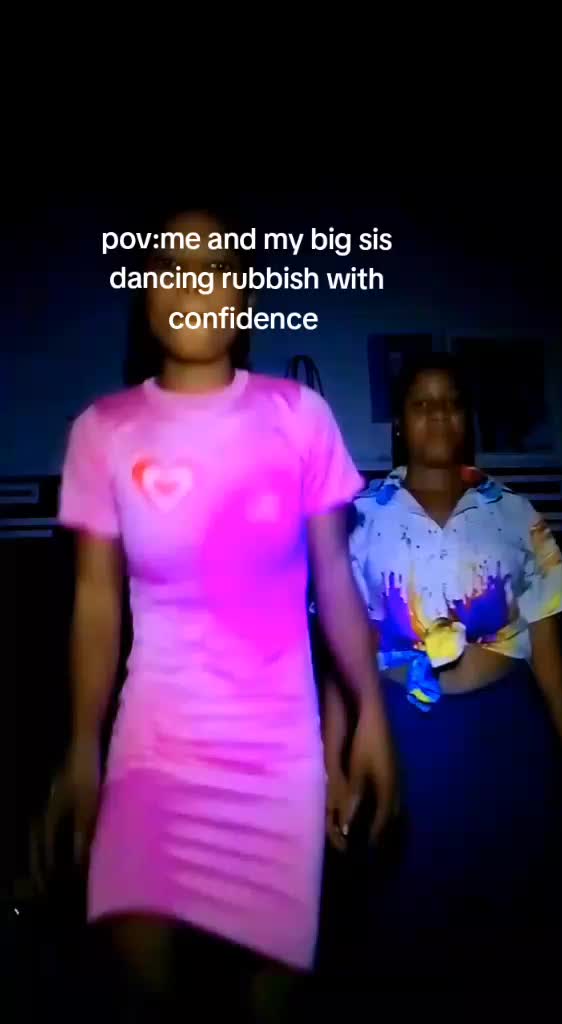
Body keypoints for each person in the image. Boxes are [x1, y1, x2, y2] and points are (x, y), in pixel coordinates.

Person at [47, 209, 394, 1012]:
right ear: (145, 295)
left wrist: (370, 714)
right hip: (152, 755)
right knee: (137, 985)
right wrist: (80, 748)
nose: (194, 285)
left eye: (214, 268)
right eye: (173, 267)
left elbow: (335, 577)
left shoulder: (298, 416)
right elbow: (95, 604)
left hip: (278, 764)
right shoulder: (101, 431)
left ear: (244, 295)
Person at [323, 353, 562, 989]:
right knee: (409, 920)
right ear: (400, 424)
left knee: (514, 918)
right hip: (404, 739)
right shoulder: (361, 517)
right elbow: (342, 654)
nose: (438, 413)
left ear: (468, 418)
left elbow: (548, 646)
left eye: (452, 401)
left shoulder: (515, 513)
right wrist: (331, 765)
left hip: (508, 735)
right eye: (422, 403)